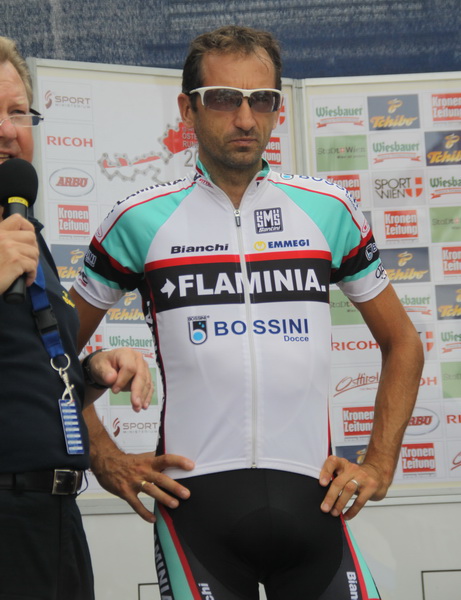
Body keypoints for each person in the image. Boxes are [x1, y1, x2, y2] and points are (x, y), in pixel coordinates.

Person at [70, 25, 424, 600]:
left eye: (262, 100)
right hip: (197, 513)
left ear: (277, 109)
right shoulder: (138, 218)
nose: (245, 118)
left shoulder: (328, 210)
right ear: (187, 109)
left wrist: (379, 464)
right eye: (223, 99)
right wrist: (105, 457)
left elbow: (403, 342)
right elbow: (51, 355)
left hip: (314, 507)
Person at [0, 35, 153, 600]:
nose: (7, 130)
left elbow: (28, 380)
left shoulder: (23, 231)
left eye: (18, 112)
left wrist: (91, 372)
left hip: (56, 517)